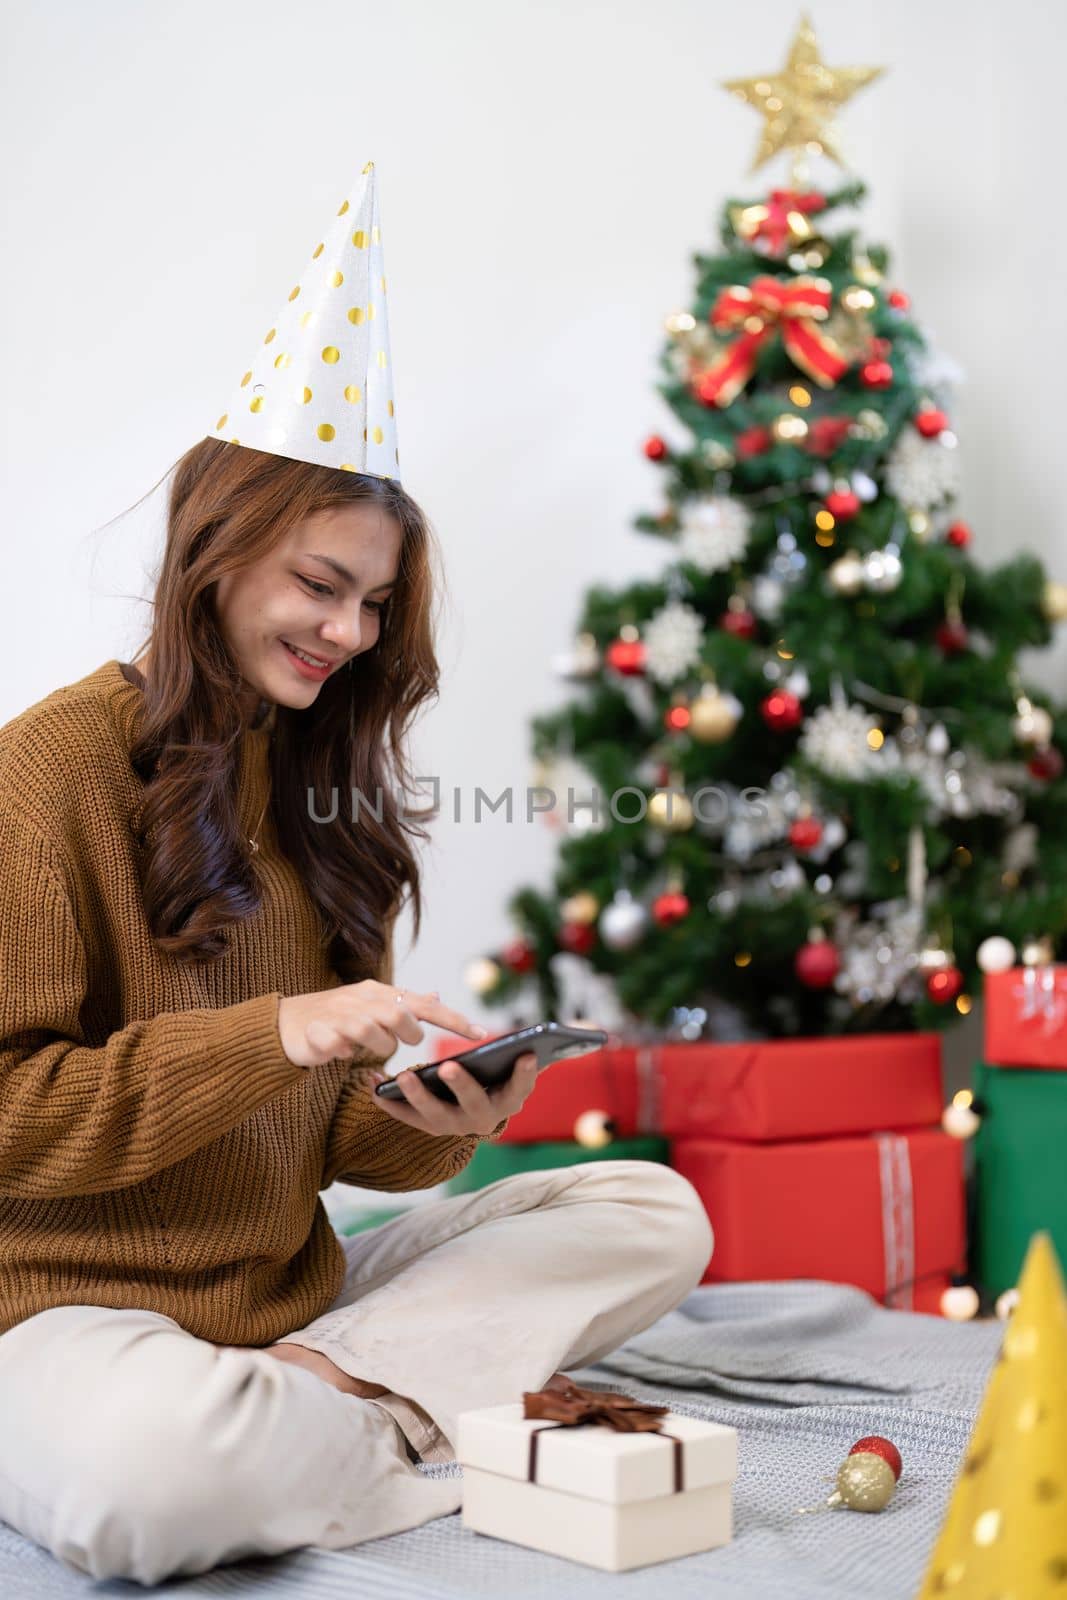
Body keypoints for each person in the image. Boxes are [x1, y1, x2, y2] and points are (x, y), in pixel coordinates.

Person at [0, 163, 714, 1585]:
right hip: (71, 1309)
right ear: (218, 552)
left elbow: (333, 1149)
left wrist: (444, 1118)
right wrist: (271, 1032)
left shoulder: (325, 797)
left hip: (289, 1302)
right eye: (319, 583)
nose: (346, 629)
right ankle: (432, 1410)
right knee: (146, 1484)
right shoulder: (48, 772)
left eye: (374, 602)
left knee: (651, 1209)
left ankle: (345, 1401)